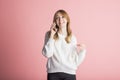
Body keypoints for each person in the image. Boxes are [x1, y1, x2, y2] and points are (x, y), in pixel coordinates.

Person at [42, 9, 87, 80]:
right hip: (53, 74)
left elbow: (76, 62)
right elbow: (47, 54)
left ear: (67, 19)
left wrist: (83, 51)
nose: (60, 20)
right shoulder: (49, 34)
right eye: (57, 18)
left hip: (70, 74)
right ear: (55, 21)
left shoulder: (72, 38)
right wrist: (51, 36)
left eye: (63, 17)